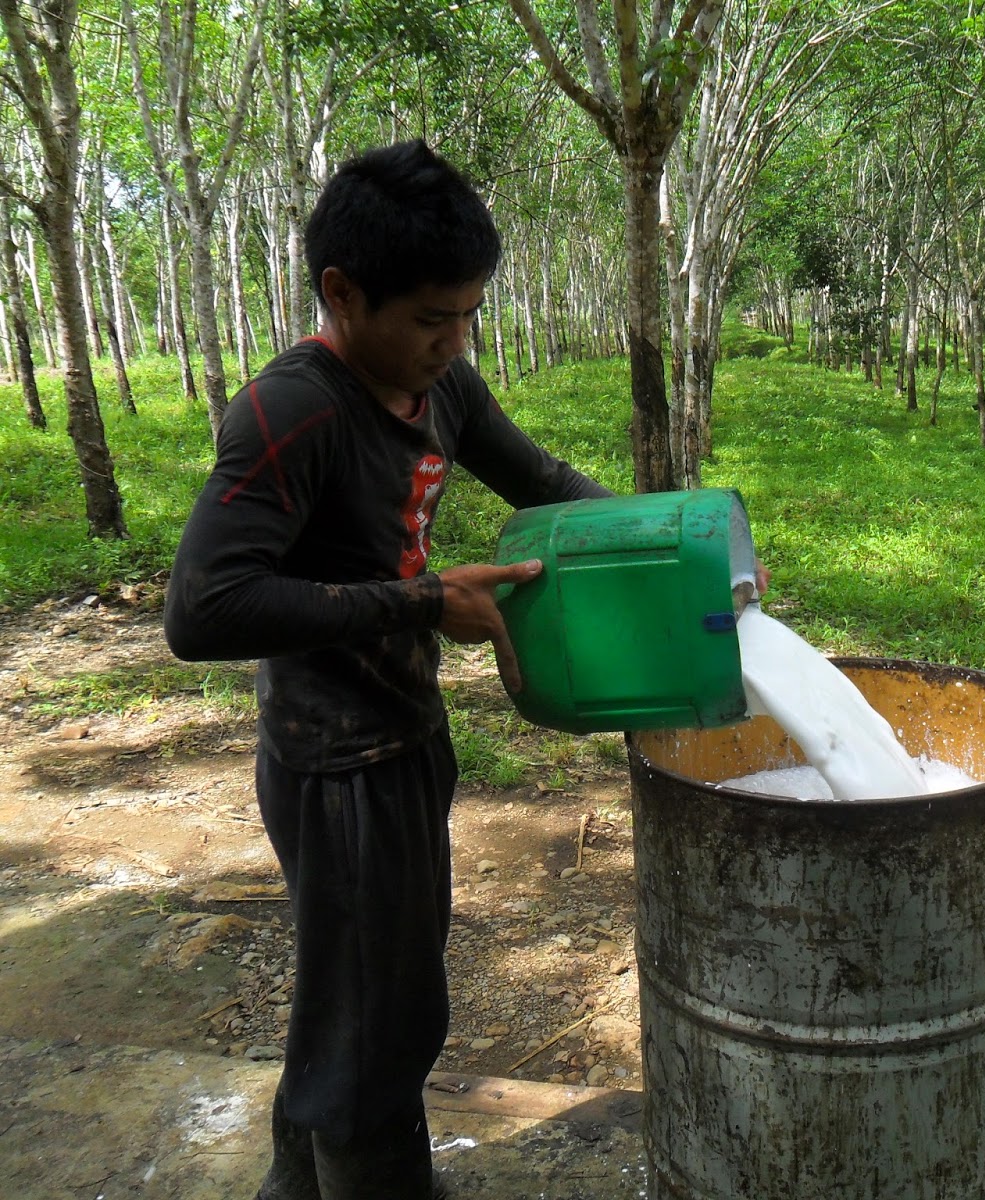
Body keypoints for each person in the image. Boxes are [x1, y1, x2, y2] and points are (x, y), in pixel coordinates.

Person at [163, 140, 614, 1200]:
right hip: (332, 766)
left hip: (403, 738)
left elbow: (537, 476)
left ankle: (296, 1187)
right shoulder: (293, 411)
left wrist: (678, 538)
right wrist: (421, 600)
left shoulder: (443, 385)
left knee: (353, 1006)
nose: (452, 344)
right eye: (428, 320)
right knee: (378, 1029)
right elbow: (204, 609)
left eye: (467, 317)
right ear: (341, 292)